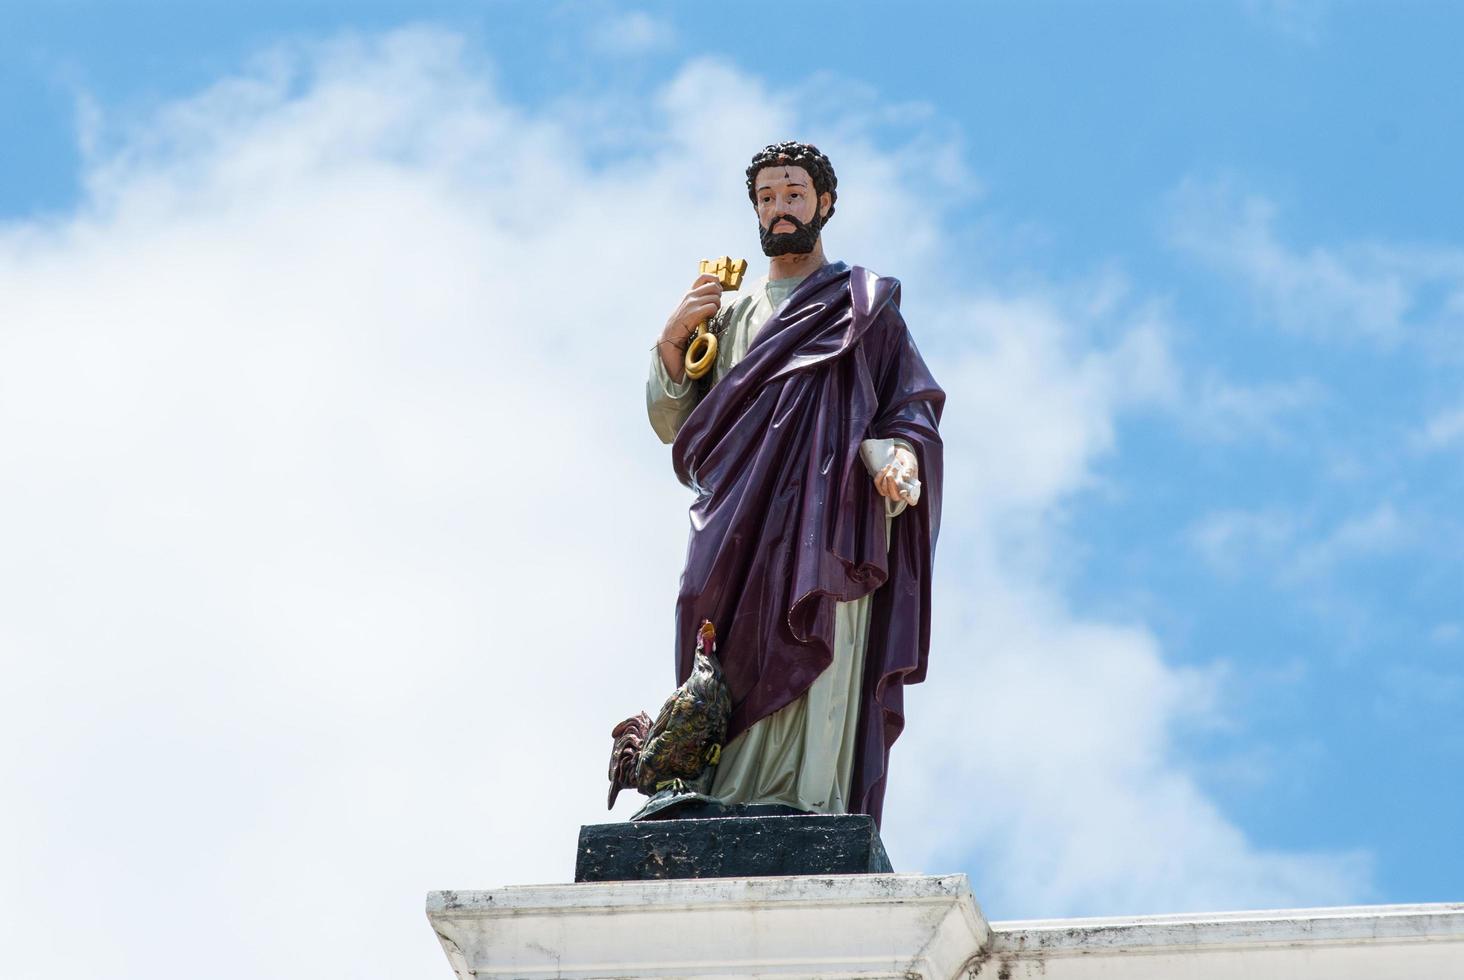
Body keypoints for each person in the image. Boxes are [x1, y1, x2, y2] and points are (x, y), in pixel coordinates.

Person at [645, 142, 944, 826]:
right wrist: (672, 339)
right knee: (707, 617)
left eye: (794, 196)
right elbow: (673, 422)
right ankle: (711, 783)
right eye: (768, 199)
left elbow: (910, 405)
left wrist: (899, 455)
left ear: (825, 204)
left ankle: (806, 801)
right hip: (734, 514)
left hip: (828, 513)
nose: (780, 209)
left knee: (815, 626)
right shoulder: (725, 314)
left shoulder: (861, 306)